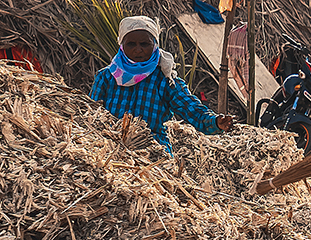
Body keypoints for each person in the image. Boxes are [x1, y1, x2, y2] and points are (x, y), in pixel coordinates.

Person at [90, 15, 222, 153]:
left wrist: (215, 121)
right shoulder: (106, 77)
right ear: (122, 46)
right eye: (131, 44)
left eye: (144, 44)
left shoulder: (165, 80)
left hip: (154, 149)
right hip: (110, 146)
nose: (138, 49)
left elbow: (190, 108)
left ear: (155, 46)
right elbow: (91, 114)